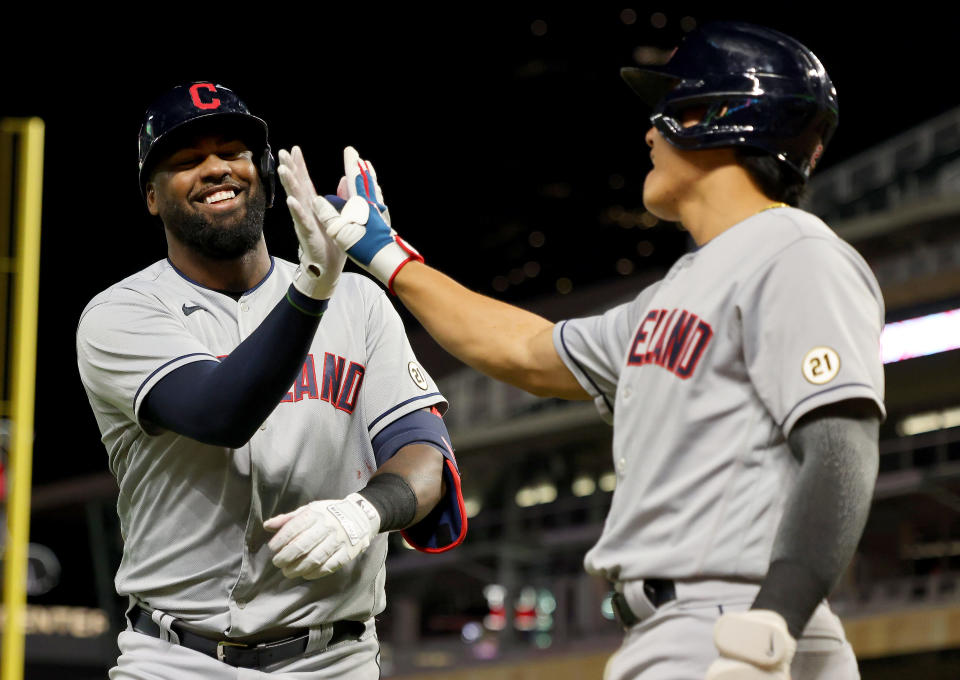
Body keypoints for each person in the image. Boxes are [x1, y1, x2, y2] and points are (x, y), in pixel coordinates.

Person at [313, 22, 884, 680]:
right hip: (682, 628)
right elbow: (527, 350)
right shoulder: (678, 293)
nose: (650, 132)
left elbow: (842, 447)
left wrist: (773, 624)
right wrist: (388, 256)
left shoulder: (796, 252)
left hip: (739, 627)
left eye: (670, 111)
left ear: (715, 119)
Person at [75, 81, 466, 679]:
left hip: (336, 660)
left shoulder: (357, 301)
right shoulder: (121, 313)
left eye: (232, 152)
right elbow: (220, 413)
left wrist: (362, 513)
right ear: (151, 197)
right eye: (185, 161)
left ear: (262, 170)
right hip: (176, 660)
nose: (214, 169)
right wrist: (313, 284)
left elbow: (424, 457)